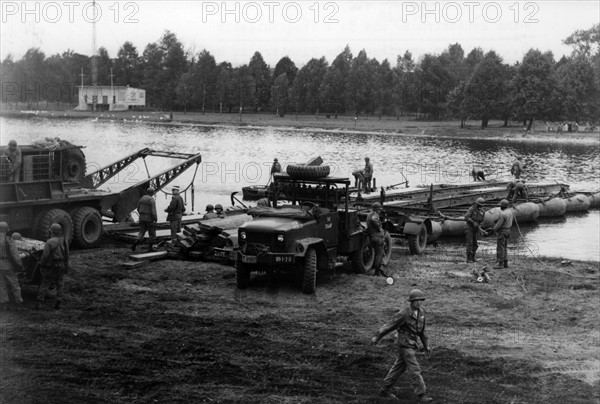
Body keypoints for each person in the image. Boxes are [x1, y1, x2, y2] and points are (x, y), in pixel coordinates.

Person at [371, 289, 433, 403]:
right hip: (404, 344)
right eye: (416, 300)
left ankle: (384, 390)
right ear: (411, 301)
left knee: (398, 368)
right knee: (415, 369)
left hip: (412, 344)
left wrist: (426, 345)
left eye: (420, 300)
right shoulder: (404, 313)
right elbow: (390, 325)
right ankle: (421, 394)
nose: (419, 303)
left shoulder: (422, 313)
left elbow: (423, 332)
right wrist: (378, 337)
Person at [35, 223, 69, 310]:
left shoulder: (49, 242)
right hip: (61, 265)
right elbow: (67, 255)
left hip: (52, 266)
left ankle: (39, 303)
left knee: (45, 284)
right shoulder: (64, 240)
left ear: (52, 232)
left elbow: (45, 256)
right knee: (60, 284)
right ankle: (58, 303)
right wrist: (66, 265)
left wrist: (42, 265)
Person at [0, 222, 25, 311]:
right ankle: (19, 303)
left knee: (1, 285)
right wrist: (20, 265)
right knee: (15, 284)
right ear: (6, 230)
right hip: (8, 265)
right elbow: (15, 255)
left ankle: (4, 304)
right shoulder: (9, 240)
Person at [132, 187, 157, 252]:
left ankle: (136, 242)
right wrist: (155, 218)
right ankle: (150, 247)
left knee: (141, 232)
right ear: (152, 193)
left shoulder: (142, 198)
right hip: (149, 219)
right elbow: (153, 211)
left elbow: (138, 208)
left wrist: (141, 214)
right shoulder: (151, 200)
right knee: (152, 233)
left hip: (142, 218)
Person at [366, 202, 388, 277]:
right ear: (376, 209)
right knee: (379, 254)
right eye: (379, 210)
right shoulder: (374, 216)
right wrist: (380, 227)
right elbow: (374, 220)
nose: (380, 211)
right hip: (377, 237)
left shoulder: (369, 215)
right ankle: (377, 271)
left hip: (372, 237)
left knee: (378, 254)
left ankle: (379, 269)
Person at [492, 199, 514, 269]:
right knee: (504, 247)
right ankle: (505, 263)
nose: (500, 206)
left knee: (500, 247)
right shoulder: (510, 212)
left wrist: (492, 230)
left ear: (503, 206)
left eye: (500, 205)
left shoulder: (503, 214)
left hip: (502, 231)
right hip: (508, 230)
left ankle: (500, 264)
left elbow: (498, 226)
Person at [465, 198, 487, 262]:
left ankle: (473, 257)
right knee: (470, 243)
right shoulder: (471, 209)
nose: (480, 206)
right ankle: (468, 258)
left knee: (475, 244)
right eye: (479, 205)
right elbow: (466, 217)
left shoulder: (483, 212)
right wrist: (472, 222)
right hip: (469, 228)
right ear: (476, 204)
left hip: (476, 229)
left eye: (481, 205)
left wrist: (479, 226)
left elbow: (482, 221)